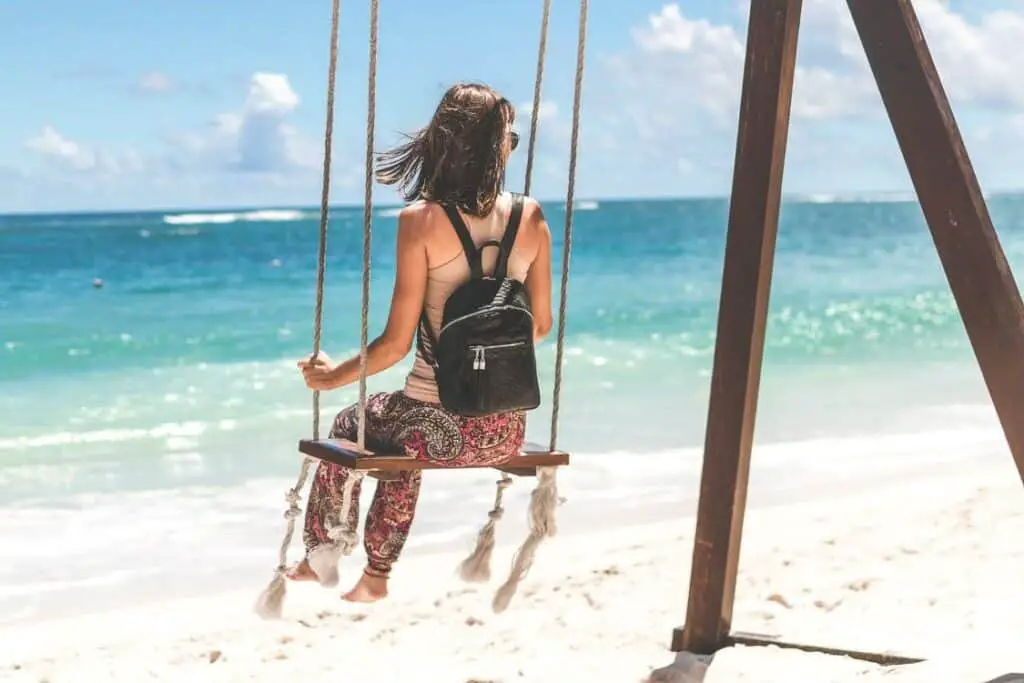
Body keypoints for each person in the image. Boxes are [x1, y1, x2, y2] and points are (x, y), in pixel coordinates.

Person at [289, 82, 553, 603]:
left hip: (436, 431)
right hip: (504, 431)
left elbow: (393, 345)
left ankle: (326, 557)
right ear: (495, 147)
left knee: (358, 424)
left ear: (444, 144)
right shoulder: (533, 216)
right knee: (400, 437)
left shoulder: (422, 222)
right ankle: (374, 576)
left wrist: (330, 377)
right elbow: (539, 326)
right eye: (510, 139)